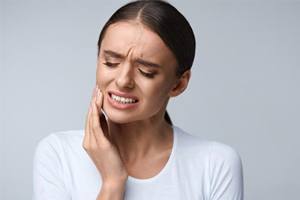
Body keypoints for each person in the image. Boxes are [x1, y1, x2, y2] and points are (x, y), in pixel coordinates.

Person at [32, 1, 244, 200]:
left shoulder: (216, 164)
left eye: (146, 72)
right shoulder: (57, 154)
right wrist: (112, 183)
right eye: (110, 62)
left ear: (178, 84)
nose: (123, 81)